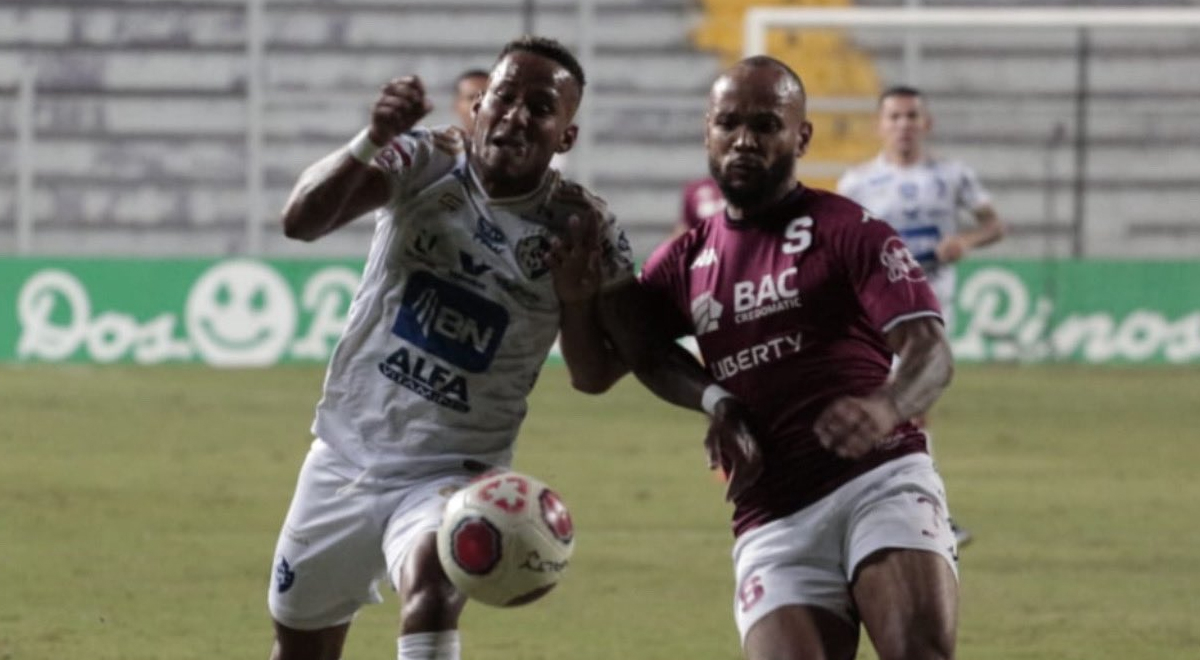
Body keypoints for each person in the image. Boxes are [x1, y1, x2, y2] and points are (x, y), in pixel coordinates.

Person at [267, 36, 633, 660]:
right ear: (478, 105)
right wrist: (373, 137)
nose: (517, 115)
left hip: (454, 472)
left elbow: (595, 374)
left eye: (541, 107)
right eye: (505, 97)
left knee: (433, 591)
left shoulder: (582, 226)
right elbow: (300, 221)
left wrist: (576, 300)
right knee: (300, 647)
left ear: (564, 137)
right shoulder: (425, 159)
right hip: (346, 452)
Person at [590, 56, 960, 660]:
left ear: (801, 136)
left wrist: (886, 407)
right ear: (706, 130)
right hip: (772, 514)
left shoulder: (849, 229)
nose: (745, 140)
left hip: (879, 482)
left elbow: (931, 354)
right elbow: (625, 359)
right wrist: (717, 400)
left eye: (766, 125)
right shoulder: (683, 261)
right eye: (729, 123)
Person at [838, 85, 1006, 546]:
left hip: (930, 305)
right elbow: (839, 245)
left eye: (912, 116)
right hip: (874, 309)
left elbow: (994, 224)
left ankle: (913, 511)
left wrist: (966, 242)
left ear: (926, 124)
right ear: (879, 125)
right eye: (894, 117)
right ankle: (907, 510)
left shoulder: (953, 177)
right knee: (899, 408)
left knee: (909, 406)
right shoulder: (857, 184)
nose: (904, 125)